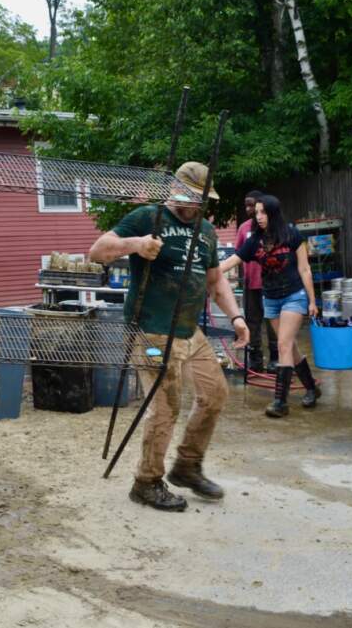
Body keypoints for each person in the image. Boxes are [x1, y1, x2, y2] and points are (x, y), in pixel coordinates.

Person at [89, 161, 249, 512]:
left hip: (190, 331)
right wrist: (136, 244)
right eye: (191, 197)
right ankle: (146, 482)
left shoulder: (206, 230)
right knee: (165, 406)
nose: (196, 205)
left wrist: (236, 316)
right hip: (152, 330)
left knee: (215, 394)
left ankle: (187, 466)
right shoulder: (149, 217)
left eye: (201, 199)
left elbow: (215, 279)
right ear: (176, 190)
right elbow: (97, 250)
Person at [220, 195, 320, 418]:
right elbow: (233, 261)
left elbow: (305, 269)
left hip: (294, 295)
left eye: (263, 212)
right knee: (290, 348)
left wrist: (312, 301)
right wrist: (209, 273)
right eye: (256, 213)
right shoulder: (255, 240)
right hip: (271, 298)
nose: (259, 217)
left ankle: (280, 402)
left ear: (273, 212)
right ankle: (312, 387)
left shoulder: (292, 235)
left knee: (283, 344)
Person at [235, 190, 279, 372]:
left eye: (252, 205)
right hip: (250, 283)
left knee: (272, 320)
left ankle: (275, 358)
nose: (248, 209)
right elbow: (238, 254)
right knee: (252, 320)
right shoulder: (243, 228)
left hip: (271, 283)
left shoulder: (274, 228)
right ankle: (255, 359)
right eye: (246, 205)